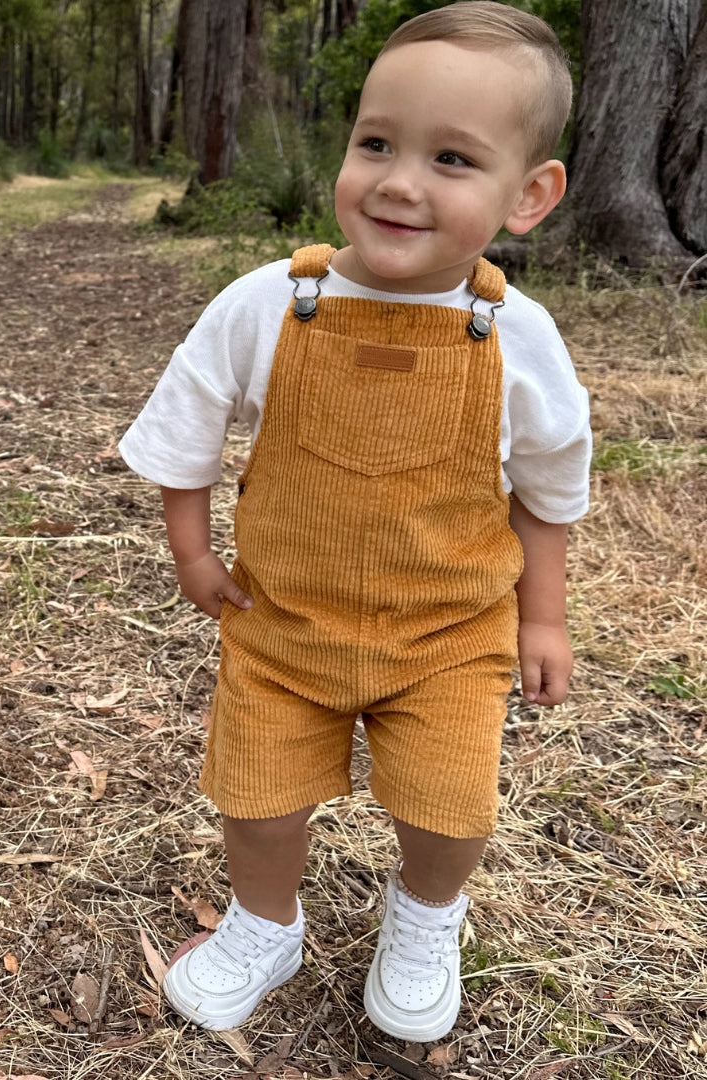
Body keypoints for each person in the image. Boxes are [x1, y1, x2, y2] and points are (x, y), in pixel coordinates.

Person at [118, 0, 591, 1044]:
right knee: (258, 796)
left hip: (451, 636)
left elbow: (549, 487)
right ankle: (264, 921)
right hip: (286, 627)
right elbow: (186, 422)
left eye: (453, 158)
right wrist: (193, 553)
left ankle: (426, 916)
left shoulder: (517, 335)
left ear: (531, 195)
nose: (399, 180)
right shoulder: (271, 304)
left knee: (448, 806)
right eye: (376, 142)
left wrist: (542, 619)